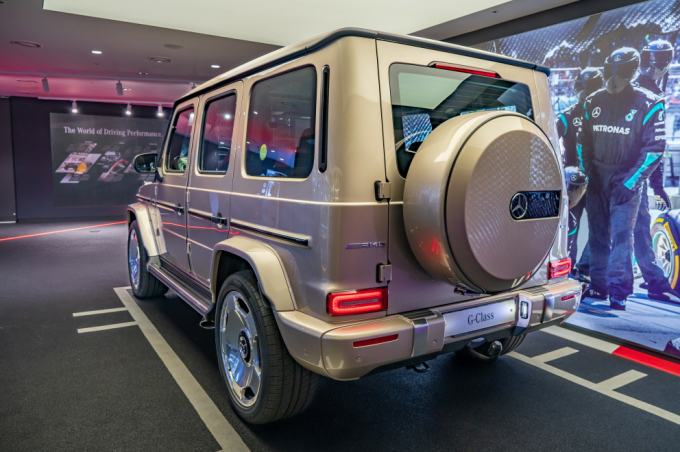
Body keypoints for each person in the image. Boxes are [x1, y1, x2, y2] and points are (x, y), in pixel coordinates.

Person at [577, 47, 666, 310]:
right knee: (597, 234)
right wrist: (589, 175)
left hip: (627, 179)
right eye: (610, 72)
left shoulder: (649, 103)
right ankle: (598, 285)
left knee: (622, 236)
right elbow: (583, 143)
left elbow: (655, 149)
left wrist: (631, 183)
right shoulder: (593, 101)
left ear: (632, 73)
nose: (613, 79)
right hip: (597, 177)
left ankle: (619, 291)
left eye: (620, 73)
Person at [632, 40, 677, 302]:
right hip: (633, 173)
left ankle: (590, 273)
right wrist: (657, 186)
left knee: (617, 227)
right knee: (637, 227)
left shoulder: (635, 88)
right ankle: (654, 281)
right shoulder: (650, 95)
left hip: (621, 170)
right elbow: (654, 146)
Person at [557, 68, 603, 279]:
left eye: (590, 89)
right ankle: (567, 272)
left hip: (597, 182)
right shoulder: (566, 116)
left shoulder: (607, 115)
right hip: (573, 185)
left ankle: (584, 270)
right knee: (570, 229)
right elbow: (548, 142)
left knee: (600, 229)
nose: (586, 93)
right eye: (583, 89)